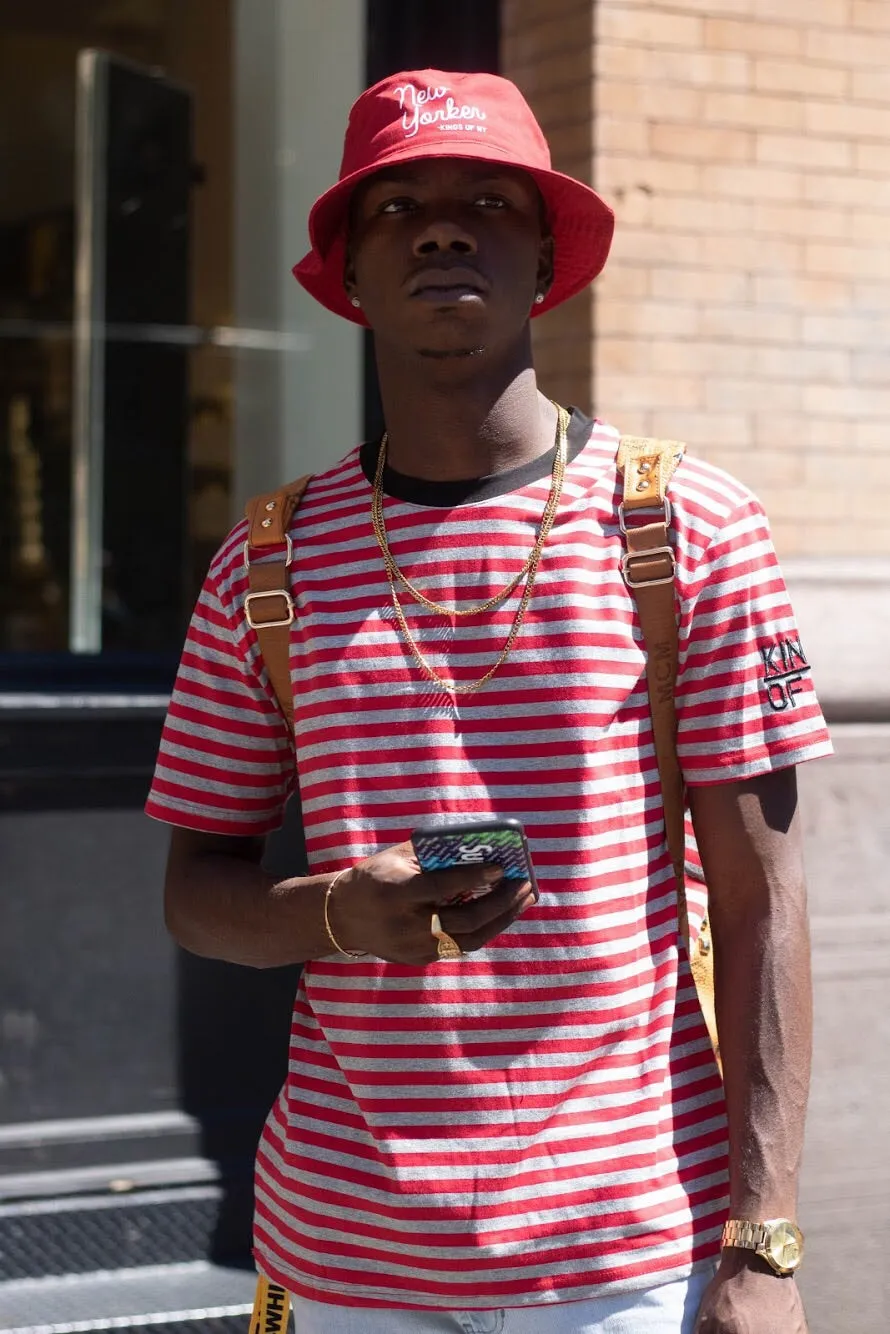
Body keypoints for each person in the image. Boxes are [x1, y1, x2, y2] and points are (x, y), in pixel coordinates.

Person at [147, 69, 831, 1334]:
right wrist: (342, 912)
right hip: (344, 1252)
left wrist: (764, 1238)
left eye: (485, 200)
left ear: (548, 255)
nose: (441, 224)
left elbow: (761, 899)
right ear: (347, 272)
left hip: (625, 1247)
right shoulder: (269, 562)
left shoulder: (684, 527)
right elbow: (198, 890)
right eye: (394, 204)